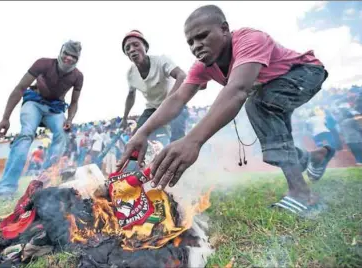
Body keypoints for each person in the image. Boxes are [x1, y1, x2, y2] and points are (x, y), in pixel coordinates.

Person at [118, 5, 336, 215]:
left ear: (224, 29)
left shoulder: (251, 39)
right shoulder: (202, 65)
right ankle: (315, 157)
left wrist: (192, 141)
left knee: (257, 105)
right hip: (271, 91)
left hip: (307, 72)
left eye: (202, 36)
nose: (196, 46)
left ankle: (302, 194)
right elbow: (177, 98)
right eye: (191, 42)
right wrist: (142, 132)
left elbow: (238, 90)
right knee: (268, 120)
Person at [0, 40, 84, 197]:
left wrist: (69, 119)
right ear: (60, 52)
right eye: (66, 54)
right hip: (34, 101)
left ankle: (44, 184)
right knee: (26, 134)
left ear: (78, 58)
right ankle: (5, 188)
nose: (68, 58)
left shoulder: (78, 76)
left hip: (55, 108)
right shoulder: (43, 63)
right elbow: (20, 88)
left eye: (73, 56)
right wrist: (5, 118)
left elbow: (74, 102)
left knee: (62, 134)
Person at [120, 30, 188, 147]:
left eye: (136, 45)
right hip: (152, 109)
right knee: (136, 138)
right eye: (128, 48)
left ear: (145, 47)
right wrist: (125, 118)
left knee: (177, 137)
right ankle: (137, 164)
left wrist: (169, 101)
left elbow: (181, 75)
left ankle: (179, 158)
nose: (132, 49)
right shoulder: (131, 74)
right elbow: (131, 96)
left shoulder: (161, 61)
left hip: (174, 103)